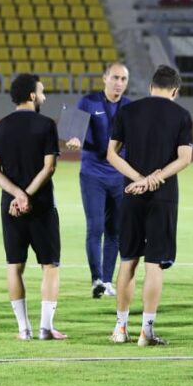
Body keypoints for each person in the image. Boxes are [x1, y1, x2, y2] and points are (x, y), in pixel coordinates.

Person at [105, 64, 193, 346]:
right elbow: (184, 159)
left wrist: (139, 179)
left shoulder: (128, 111)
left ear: (150, 87)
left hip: (131, 193)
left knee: (128, 260)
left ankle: (120, 328)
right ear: (175, 91)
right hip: (163, 196)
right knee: (154, 264)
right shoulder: (181, 115)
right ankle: (147, 331)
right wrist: (155, 178)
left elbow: (111, 155)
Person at [0, 74, 65, 340]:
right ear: (32, 95)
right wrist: (28, 195)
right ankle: (45, 328)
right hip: (41, 204)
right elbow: (49, 167)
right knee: (50, 266)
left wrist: (16, 195)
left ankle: (23, 329)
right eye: (42, 92)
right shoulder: (46, 125)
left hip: (10, 207)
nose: (44, 97)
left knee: (14, 266)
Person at [65, 62, 130, 298]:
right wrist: (73, 140)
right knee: (96, 227)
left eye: (123, 79)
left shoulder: (129, 107)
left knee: (115, 230)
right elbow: (74, 131)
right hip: (93, 174)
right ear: (104, 78)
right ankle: (96, 280)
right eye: (115, 78)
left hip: (119, 176)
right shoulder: (88, 102)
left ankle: (108, 281)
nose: (118, 83)